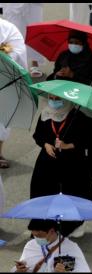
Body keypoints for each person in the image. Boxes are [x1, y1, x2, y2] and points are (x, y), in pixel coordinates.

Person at [30, 95, 92, 237]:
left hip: (72, 162)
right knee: (43, 191)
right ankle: (43, 227)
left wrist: (68, 145)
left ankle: (70, 225)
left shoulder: (77, 116)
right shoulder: (46, 114)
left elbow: (87, 139)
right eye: (51, 98)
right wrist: (46, 144)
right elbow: (38, 135)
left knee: (71, 193)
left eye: (57, 98)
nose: (53, 101)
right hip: (48, 160)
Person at [46, 30, 92, 182]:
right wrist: (58, 74)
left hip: (89, 104)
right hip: (68, 103)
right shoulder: (64, 56)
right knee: (70, 137)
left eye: (77, 43)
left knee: (90, 138)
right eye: (71, 42)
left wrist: (73, 76)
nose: (73, 45)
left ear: (84, 44)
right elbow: (52, 78)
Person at [0, 17, 28, 169]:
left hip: (6, 77)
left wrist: (4, 54)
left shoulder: (8, 29)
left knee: (2, 120)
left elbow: (17, 52)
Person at [12, 219, 90, 272]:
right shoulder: (30, 245)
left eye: (39, 236)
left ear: (52, 231)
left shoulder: (71, 248)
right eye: (34, 236)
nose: (36, 239)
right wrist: (18, 270)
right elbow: (22, 266)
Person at [1, 3, 45, 77]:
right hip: (11, 6)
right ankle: (14, 64)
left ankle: (35, 64)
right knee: (14, 33)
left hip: (33, 5)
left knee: (35, 31)